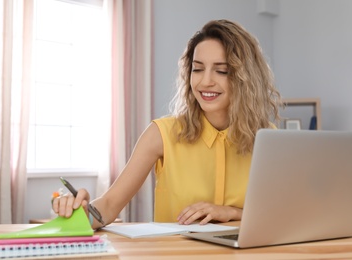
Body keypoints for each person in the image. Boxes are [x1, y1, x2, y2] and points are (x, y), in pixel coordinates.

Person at [52, 19, 282, 230]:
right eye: (198, 69)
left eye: (221, 71)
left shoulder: (269, 139)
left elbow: (280, 215)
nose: (205, 81)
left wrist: (230, 212)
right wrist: (80, 212)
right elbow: (109, 206)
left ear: (245, 78)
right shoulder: (161, 134)